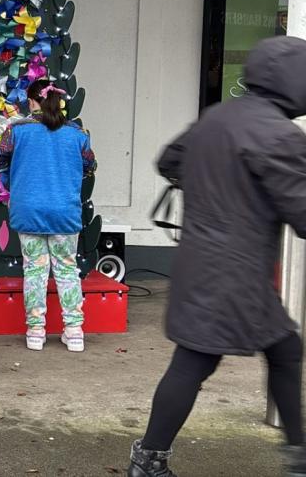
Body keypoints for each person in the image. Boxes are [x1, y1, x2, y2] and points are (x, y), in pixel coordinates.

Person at [128, 36, 306, 477]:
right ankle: (149, 461)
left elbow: (170, 160)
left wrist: (213, 191)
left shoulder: (217, 116)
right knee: (196, 360)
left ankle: (298, 452)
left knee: (283, 347)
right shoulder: (280, 135)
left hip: (201, 262)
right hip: (238, 272)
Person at [0, 79, 96, 353]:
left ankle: (35, 332)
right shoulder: (77, 134)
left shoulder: (17, 131)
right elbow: (89, 166)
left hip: (28, 209)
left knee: (35, 271)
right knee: (67, 270)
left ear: (31, 101)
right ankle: (74, 332)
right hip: (65, 211)